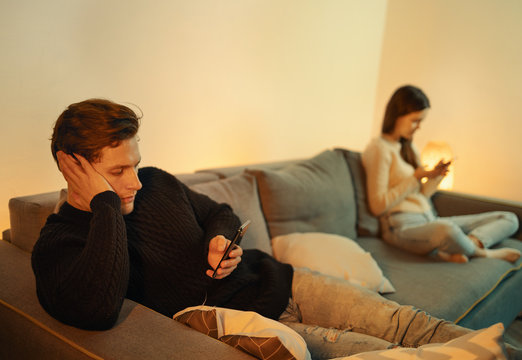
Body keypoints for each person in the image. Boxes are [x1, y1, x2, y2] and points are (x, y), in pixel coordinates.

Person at [32, 98, 511, 358]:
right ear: (73, 166)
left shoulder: (154, 182)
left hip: (282, 279)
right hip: (259, 328)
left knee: (409, 323)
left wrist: (219, 238)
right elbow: (96, 308)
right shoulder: (59, 244)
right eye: (117, 172)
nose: (136, 180)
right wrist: (105, 207)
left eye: (135, 164)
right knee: (383, 352)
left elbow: (219, 209)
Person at [362, 85, 520, 264]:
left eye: (421, 121)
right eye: (415, 120)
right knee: (446, 229)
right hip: (400, 226)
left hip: (428, 218)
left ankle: (466, 245)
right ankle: (481, 253)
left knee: (509, 218)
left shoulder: (409, 147)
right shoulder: (378, 149)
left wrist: (436, 176)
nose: (418, 127)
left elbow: (422, 195)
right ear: (397, 114)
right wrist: (414, 177)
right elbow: (377, 205)